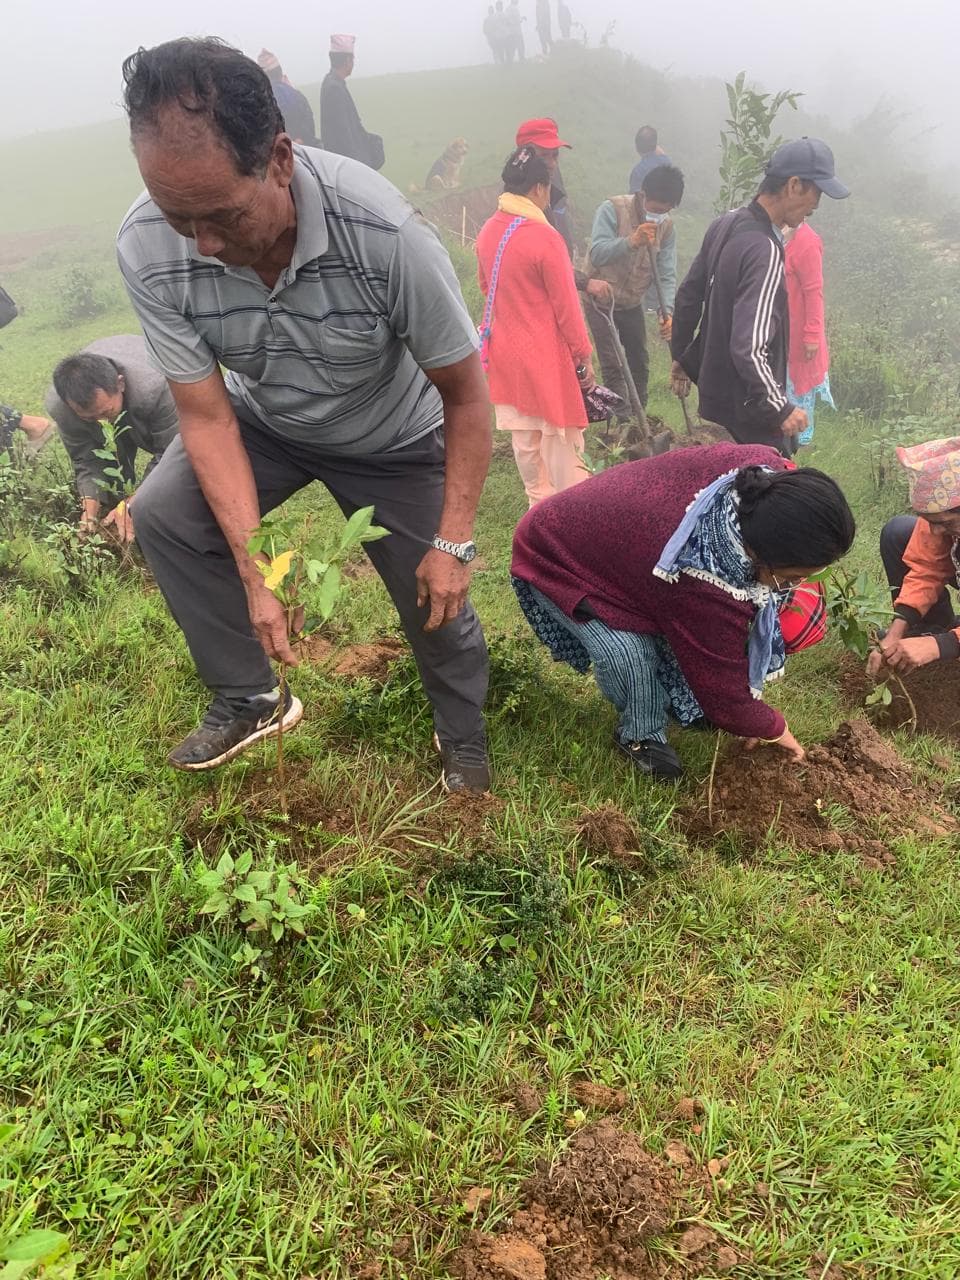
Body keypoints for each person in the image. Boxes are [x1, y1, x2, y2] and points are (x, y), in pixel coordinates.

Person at [116, 37, 492, 791]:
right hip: (265, 423)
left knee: (433, 593)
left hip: (394, 434)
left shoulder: (386, 235)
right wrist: (257, 575)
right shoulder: (151, 245)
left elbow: (466, 393)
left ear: (279, 160)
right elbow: (208, 417)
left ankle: (464, 741)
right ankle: (249, 697)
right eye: (179, 216)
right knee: (163, 513)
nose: (206, 244)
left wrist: (453, 540)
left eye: (220, 214)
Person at [511, 443, 855, 778]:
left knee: (685, 632)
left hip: (619, 551)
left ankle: (684, 706)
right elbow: (720, 685)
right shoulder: (700, 570)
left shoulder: (766, 480)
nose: (793, 586)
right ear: (761, 552)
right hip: (557, 555)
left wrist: (747, 714)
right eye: (792, 577)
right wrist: (772, 728)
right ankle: (640, 735)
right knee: (629, 652)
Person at [671, 138, 850, 455]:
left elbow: (688, 295)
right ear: (794, 185)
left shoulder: (725, 223)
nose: (816, 205)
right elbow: (749, 347)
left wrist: (680, 356)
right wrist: (781, 408)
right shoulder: (765, 248)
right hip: (749, 415)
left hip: (715, 402)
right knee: (761, 498)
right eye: (816, 193)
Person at [476, 148, 594, 507]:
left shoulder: (487, 231)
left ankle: (537, 524)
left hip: (507, 357)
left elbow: (486, 288)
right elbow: (567, 308)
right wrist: (583, 357)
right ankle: (574, 526)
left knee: (527, 448)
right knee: (565, 455)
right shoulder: (544, 238)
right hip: (545, 360)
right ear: (541, 188)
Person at [46, 337, 179, 543]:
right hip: (122, 397)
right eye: (89, 418)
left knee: (167, 486)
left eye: (106, 412)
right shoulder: (62, 408)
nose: (101, 423)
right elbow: (86, 460)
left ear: (120, 384)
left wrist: (135, 502)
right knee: (113, 482)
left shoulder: (156, 388)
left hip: (146, 383)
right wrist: (89, 507)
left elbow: (171, 453)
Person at [586, 164, 685, 411]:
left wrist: (667, 311)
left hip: (631, 301)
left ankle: (641, 418)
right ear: (643, 195)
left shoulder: (667, 227)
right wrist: (631, 241)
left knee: (639, 361)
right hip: (599, 300)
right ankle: (620, 423)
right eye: (655, 208)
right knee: (612, 363)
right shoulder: (613, 209)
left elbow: (666, 273)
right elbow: (597, 253)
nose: (659, 215)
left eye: (665, 210)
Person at [870, 437, 960, 679]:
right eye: (930, 521)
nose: (936, 531)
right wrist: (895, 632)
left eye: (945, 523)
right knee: (899, 531)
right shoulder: (940, 518)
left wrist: (943, 645)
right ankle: (932, 627)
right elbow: (926, 569)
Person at [783, 220, 833, 446]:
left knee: (795, 406)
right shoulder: (776, 234)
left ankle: (789, 456)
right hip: (778, 338)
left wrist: (811, 334)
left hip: (798, 342)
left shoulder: (807, 242)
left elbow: (814, 291)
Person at [319, 34, 384, 170]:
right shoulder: (334, 88)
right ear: (348, 60)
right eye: (353, 58)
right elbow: (343, 132)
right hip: (345, 162)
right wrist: (356, 164)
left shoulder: (333, 83)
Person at [257, 49, 318, 146]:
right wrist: (298, 142)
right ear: (280, 71)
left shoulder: (260, 100)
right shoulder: (296, 94)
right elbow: (309, 125)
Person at [628, 126, 670, 194]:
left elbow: (634, 198)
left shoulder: (638, 172)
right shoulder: (667, 162)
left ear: (636, 147)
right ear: (655, 144)